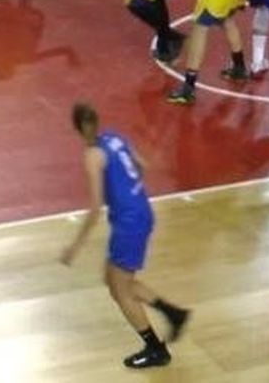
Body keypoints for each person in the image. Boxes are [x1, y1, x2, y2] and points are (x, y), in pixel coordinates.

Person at [60, 102, 191, 370]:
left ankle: (156, 349)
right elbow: (143, 166)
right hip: (141, 211)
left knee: (120, 291)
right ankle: (173, 313)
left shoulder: (92, 155)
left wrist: (75, 247)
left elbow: (96, 207)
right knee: (112, 279)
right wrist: (127, 190)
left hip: (129, 223)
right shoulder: (115, 137)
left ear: (77, 129)